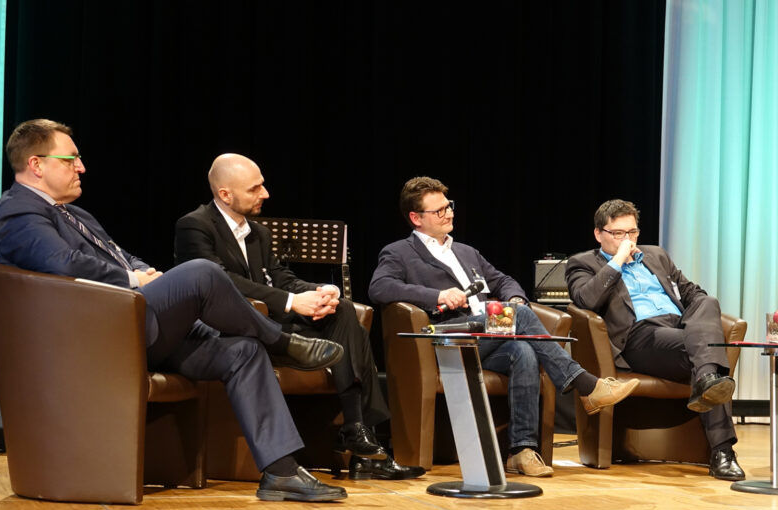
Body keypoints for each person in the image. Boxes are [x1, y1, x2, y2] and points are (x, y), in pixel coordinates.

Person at [0, 119, 348, 502]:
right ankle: (281, 341)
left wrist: (143, 271)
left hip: (131, 325)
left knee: (243, 349)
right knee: (202, 273)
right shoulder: (19, 212)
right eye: (71, 159)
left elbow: (120, 255)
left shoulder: (75, 214)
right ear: (37, 164)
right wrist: (134, 281)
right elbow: (63, 263)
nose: (82, 167)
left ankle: (281, 472)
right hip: (94, 337)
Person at [174, 153, 424, 480]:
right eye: (255, 189)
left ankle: (356, 429)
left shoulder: (258, 232)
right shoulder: (195, 225)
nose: (265, 194)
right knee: (348, 335)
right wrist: (293, 301)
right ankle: (365, 448)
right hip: (233, 328)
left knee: (345, 312)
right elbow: (221, 282)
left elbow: (279, 276)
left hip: (272, 319)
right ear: (225, 194)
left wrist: (318, 290)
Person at [368, 176, 639, 477]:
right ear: (416, 218)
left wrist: (514, 297)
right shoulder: (400, 253)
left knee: (523, 349)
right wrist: (438, 295)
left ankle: (521, 451)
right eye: (439, 211)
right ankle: (586, 385)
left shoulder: (466, 253)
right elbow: (380, 288)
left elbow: (503, 280)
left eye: (449, 206)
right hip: (444, 339)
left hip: (484, 337)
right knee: (519, 317)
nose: (449, 214)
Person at [565, 199, 746, 481]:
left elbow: (691, 293)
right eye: (618, 234)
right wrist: (617, 261)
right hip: (640, 336)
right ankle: (723, 452)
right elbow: (585, 299)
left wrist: (697, 320)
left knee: (707, 304)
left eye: (632, 233)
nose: (628, 239)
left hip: (681, 330)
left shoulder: (656, 255)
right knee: (708, 354)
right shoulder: (582, 263)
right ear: (599, 234)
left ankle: (708, 379)